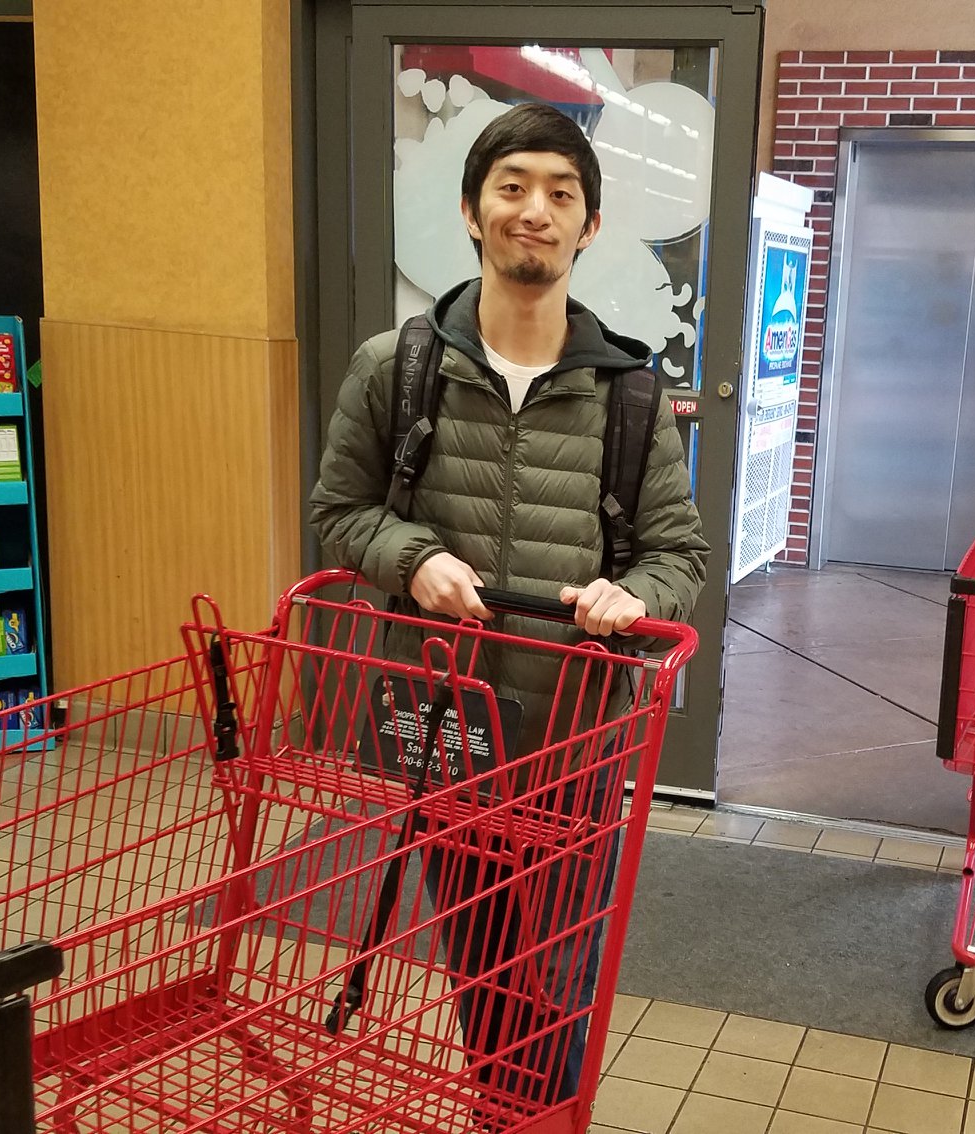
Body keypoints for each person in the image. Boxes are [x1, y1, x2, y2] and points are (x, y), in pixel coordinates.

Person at [309, 102, 708, 1113]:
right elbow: (339, 512)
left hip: (578, 736)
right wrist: (412, 557)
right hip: (449, 727)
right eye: (513, 187)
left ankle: (535, 1109)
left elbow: (678, 555)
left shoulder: (631, 395)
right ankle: (512, 1111)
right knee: (484, 970)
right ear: (472, 211)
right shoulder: (393, 369)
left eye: (561, 194)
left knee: (562, 970)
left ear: (590, 228)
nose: (535, 210)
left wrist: (635, 594)